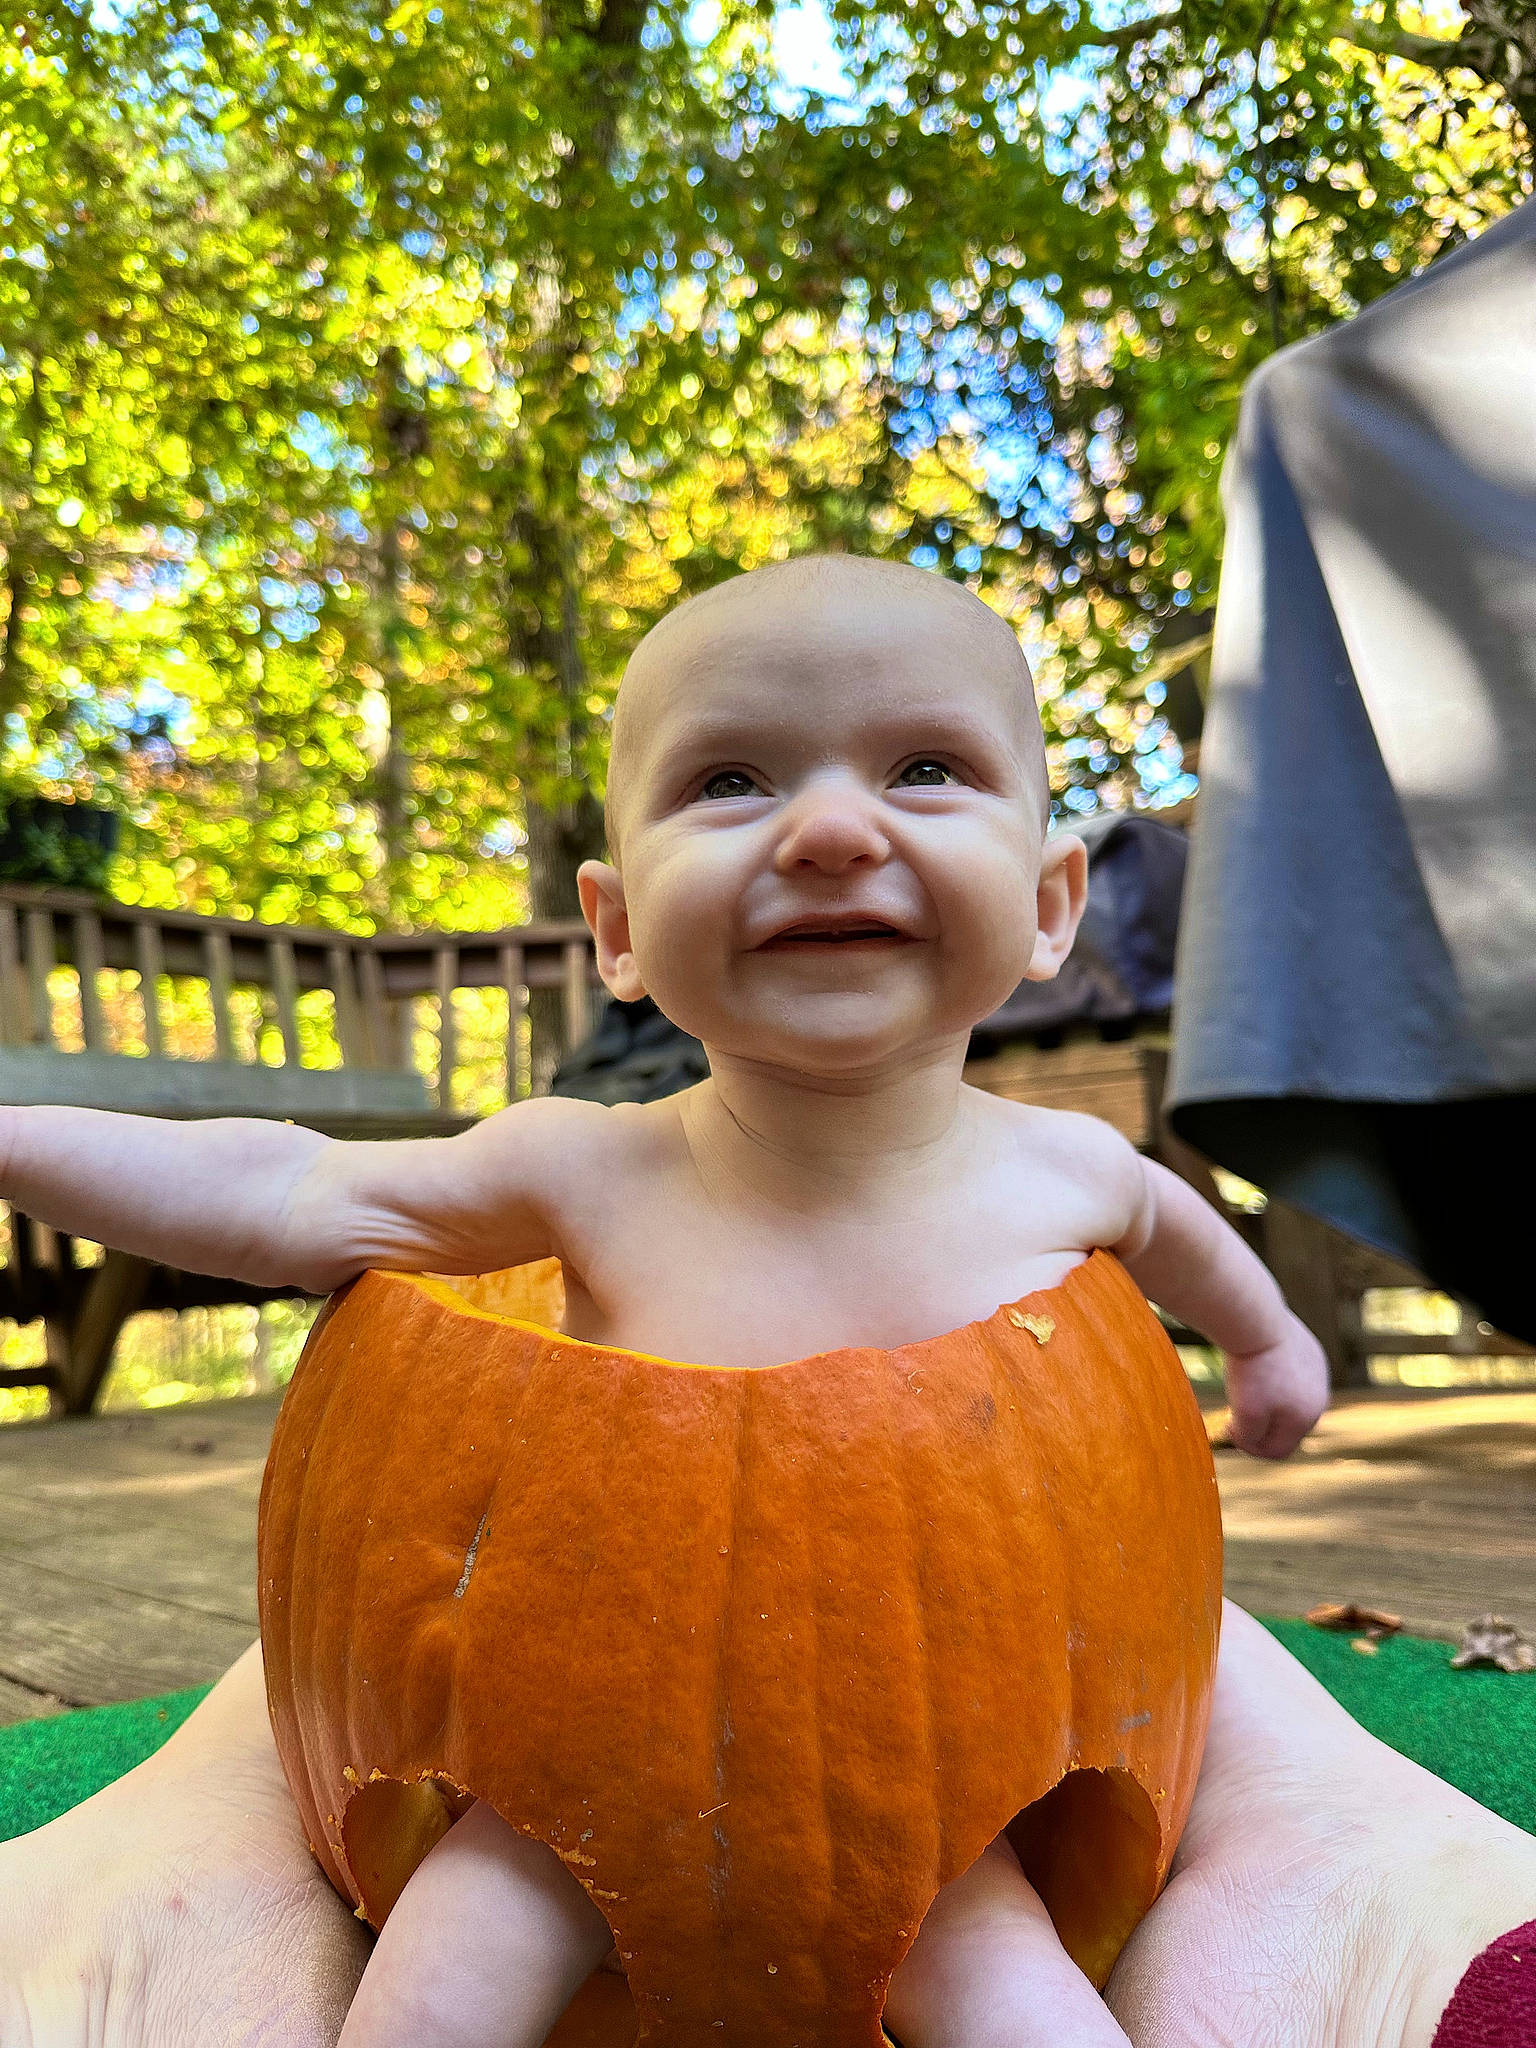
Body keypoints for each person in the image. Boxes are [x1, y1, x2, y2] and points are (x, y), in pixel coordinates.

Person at [0, 555, 1332, 2044]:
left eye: (926, 768)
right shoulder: (587, 1172)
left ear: (1046, 902)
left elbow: (1192, 1243)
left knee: (1021, 1998)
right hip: (577, 1775)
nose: (832, 830)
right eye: (731, 782)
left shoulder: (1075, 1173)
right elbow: (290, 1191)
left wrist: (1270, 1341)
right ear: (620, 930)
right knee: (436, 1985)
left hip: (935, 1802)